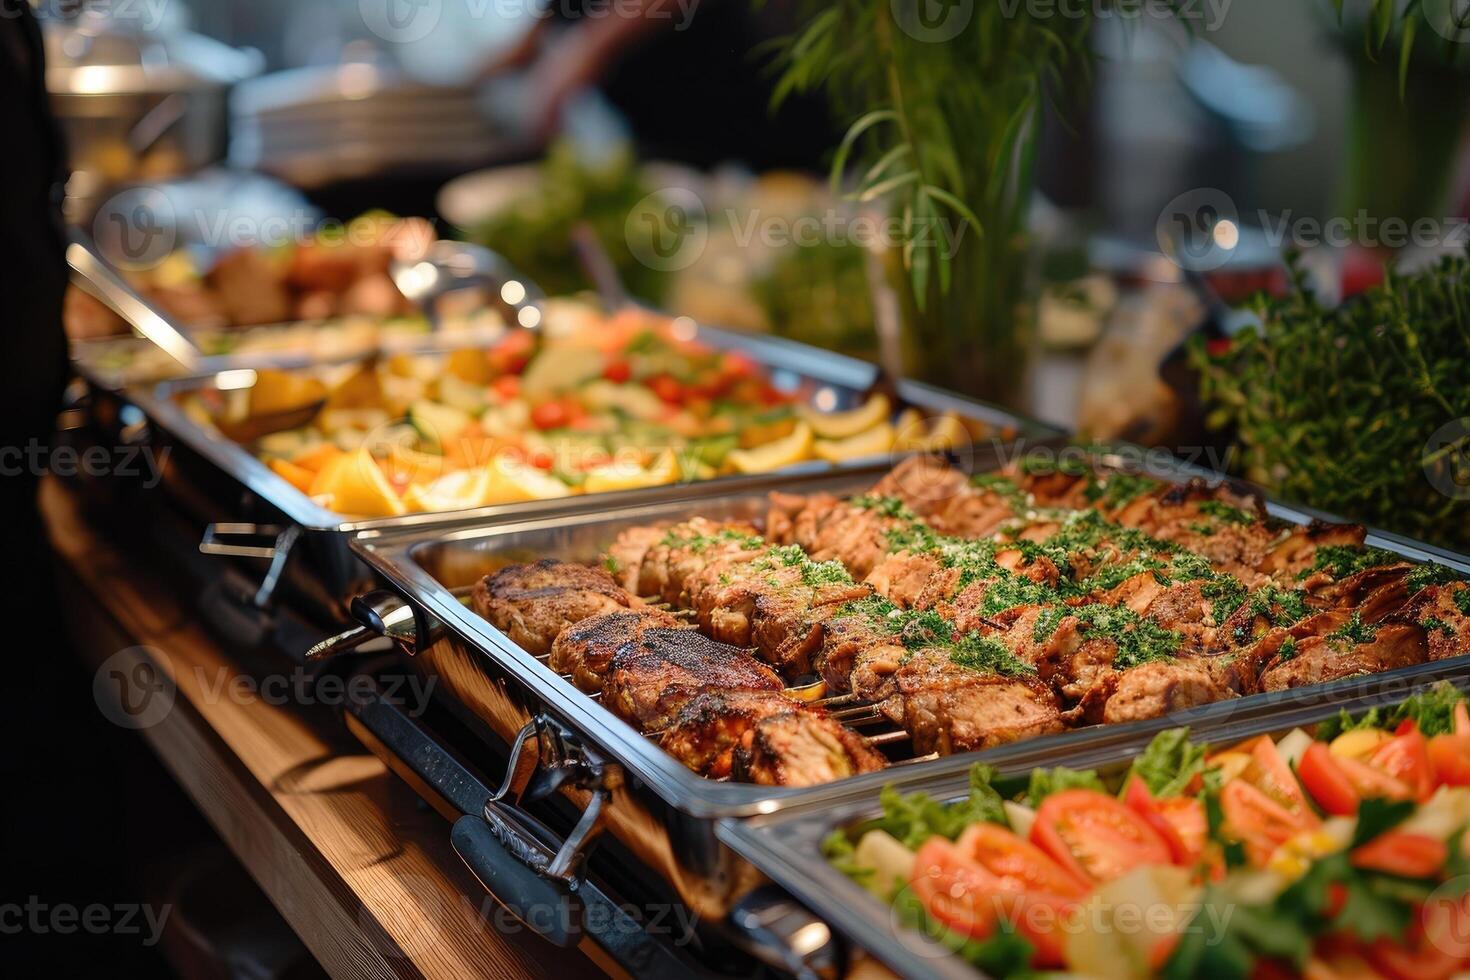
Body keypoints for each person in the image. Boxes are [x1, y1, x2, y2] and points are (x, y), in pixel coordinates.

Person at [480, 0, 839, 171]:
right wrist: (466, 79)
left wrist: (586, 49)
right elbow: (543, 27)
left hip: (748, 121)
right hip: (666, 141)